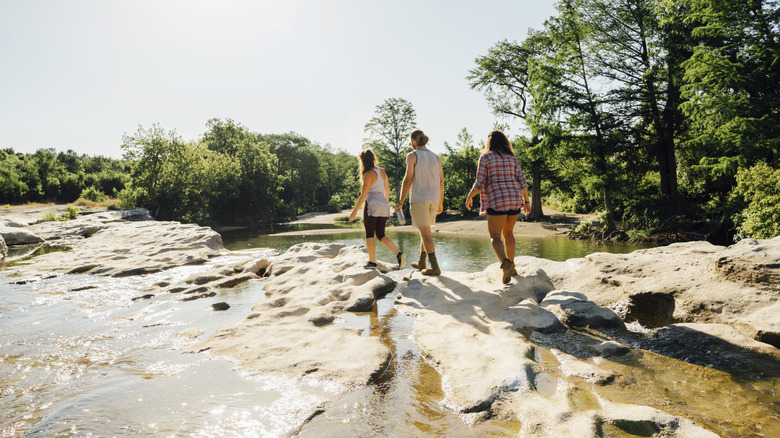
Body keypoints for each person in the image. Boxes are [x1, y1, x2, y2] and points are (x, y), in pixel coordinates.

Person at [465, 130, 531, 284]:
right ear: (505, 142)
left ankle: (505, 264)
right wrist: (527, 202)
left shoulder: (486, 158)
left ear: (489, 143)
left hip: (497, 198)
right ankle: (512, 266)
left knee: (495, 236)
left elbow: (479, 182)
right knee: (509, 233)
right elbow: (523, 182)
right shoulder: (512, 159)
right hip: (515, 198)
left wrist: (469, 196)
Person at [393, 129, 444, 276]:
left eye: (411, 141)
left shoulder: (412, 155)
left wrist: (400, 202)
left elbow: (408, 180)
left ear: (414, 141)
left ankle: (435, 267)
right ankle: (422, 261)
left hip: (419, 199)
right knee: (425, 230)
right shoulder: (436, 157)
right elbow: (441, 182)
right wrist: (440, 202)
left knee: (426, 234)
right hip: (433, 199)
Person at [350, 149, 406, 269]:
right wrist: (386, 207)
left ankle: (372, 262)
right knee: (381, 234)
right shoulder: (382, 171)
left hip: (372, 205)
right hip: (383, 205)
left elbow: (363, 194)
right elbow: (387, 191)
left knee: (370, 234)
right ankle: (399, 254)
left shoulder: (368, 174)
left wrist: (354, 211)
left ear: (363, 161)